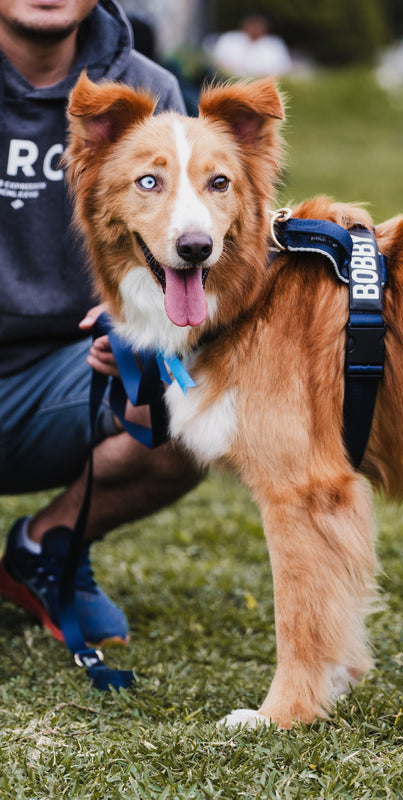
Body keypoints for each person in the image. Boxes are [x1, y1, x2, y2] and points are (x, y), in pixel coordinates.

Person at [0, 0, 202, 647]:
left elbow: (188, 238)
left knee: (183, 408)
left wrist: (134, 319)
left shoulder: (151, 92)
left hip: (60, 376)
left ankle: (46, 546)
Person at [208, 15, 292, 78]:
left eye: (258, 25)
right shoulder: (230, 38)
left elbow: (283, 68)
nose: (255, 28)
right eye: (253, 24)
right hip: (228, 80)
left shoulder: (274, 44)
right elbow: (216, 60)